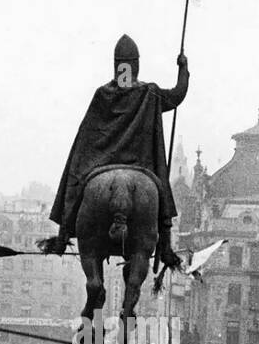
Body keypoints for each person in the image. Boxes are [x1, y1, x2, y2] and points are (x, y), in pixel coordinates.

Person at [43, 34, 187, 268]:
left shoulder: (103, 94)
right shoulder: (149, 93)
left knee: (75, 169)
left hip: (101, 162)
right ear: (136, 65)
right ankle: (166, 246)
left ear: (116, 64)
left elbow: (86, 137)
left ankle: (63, 233)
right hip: (141, 165)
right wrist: (183, 68)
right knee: (161, 191)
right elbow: (178, 94)